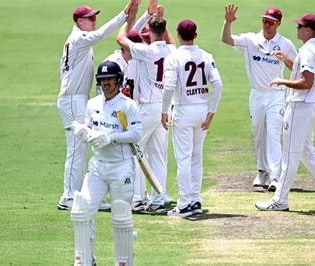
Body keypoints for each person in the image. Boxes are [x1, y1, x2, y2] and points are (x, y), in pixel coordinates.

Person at [255, 13, 315, 211]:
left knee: (289, 155)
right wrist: (287, 61)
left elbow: (306, 82)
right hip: (311, 105)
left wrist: (282, 81)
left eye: (300, 26)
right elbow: (309, 77)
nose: (297, 28)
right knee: (307, 152)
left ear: (309, 30)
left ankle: (279, 201)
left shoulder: (308, 51)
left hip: (300, 107)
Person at [56, 0, 140, 211]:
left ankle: (84, 194)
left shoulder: (79, 39)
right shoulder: (79, 38)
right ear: (79, 21)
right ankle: (68, 197)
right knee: (77, 149)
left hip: (76, 97)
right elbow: (102, 34)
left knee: (81, 149)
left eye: (95, 18)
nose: (94, 21)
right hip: (73, 98)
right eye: (90, 18)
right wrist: (123, 14)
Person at [68, 60, 142, 265]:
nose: (106, 83)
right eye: (102, 80)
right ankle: (85, 260)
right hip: (98, 166)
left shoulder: (128, 105)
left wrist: (112, 137)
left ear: (119, 81)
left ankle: (124, 262)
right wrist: (84, 132)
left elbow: (136, 134)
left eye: (110, 79)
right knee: (81, 211)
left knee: (120, 216)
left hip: (121, 167)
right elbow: (89, 128)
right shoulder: (93, 104)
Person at [221, 4, 297, 191]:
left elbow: (297, 67)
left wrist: (285, 59)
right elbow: (226, 39)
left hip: (276, 94)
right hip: (256, 94)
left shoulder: (285, 44)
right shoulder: (250, 40)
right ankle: (262, 171)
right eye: (264, 21)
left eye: (271, 22)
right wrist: (227, 22)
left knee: (273, 133)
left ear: (278, 24)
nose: (267, 25)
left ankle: (276, 176)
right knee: (258, 133)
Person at [161, 19, 223, 217]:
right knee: (196, 157)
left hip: (183, 110)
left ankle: (185, 203)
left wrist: (164, 112)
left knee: (184, 159)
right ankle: (195, 200)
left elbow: (169, 87)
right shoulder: (206, 55)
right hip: (202, 110)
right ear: (195, 35)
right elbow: (218, 84)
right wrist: (212, 111)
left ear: (178, 35)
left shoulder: (174, 57)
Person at [117, 12, 176, 213]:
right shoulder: (171, 51)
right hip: (165, 107)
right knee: (158, 154)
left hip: (148, 106)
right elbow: (171, 40)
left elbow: (121, 38)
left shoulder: (145, 50)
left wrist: (129, 19)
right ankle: (159, 198)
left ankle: (137, 199)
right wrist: (160, 18)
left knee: (134, 151)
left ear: (149, 31)